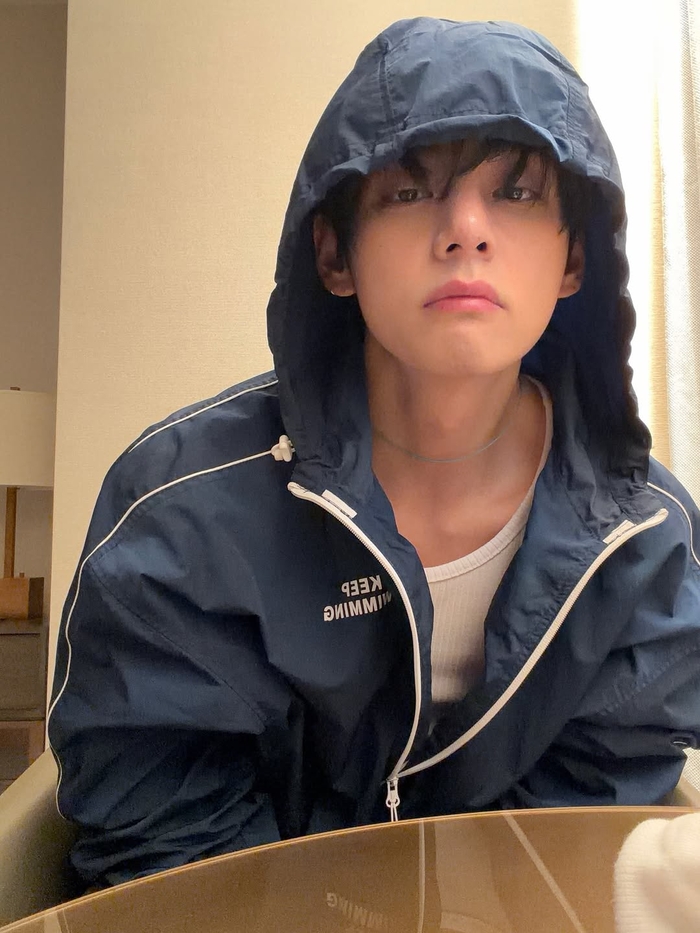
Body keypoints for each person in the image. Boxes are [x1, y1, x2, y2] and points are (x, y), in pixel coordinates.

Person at [48, 17, 700, 888]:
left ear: (574, 256)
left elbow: (572, 847)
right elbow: (174, 866)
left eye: (515, 193)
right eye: (409, 191)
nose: (465, 230)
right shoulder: (178, 521)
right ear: (333, 252)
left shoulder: (648, 544)